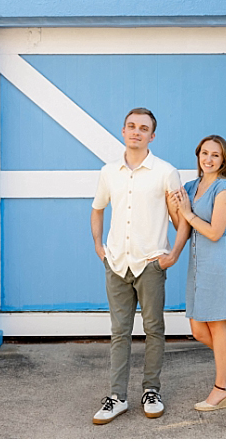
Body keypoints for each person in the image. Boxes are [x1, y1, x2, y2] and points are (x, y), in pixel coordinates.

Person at [90, 108, 181, 425]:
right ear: (123, 130)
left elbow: (179, 219)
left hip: (150, 263)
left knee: (154, 329)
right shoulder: (108, 171)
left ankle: (151, 391)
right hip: (116, 263)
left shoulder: (165, 172)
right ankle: (117, 397)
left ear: (152, 136)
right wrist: (99, 246)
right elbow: (97, 208)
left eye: (143, 128)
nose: (136, 132)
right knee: (119, 332)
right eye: (131, 126)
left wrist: (173, 255)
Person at [164, 135, 226, 410]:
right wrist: (173, 207)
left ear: (223, 160)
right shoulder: (191, 186)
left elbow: (215, 232)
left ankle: (223, 388)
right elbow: (181, 225)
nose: (208, 159)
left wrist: (187, 212)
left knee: (218, 327)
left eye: (215, 155)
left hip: (218, 263)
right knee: (198, 330)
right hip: (197, 264)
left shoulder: (224, 189)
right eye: (204, 153)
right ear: (198, 155)